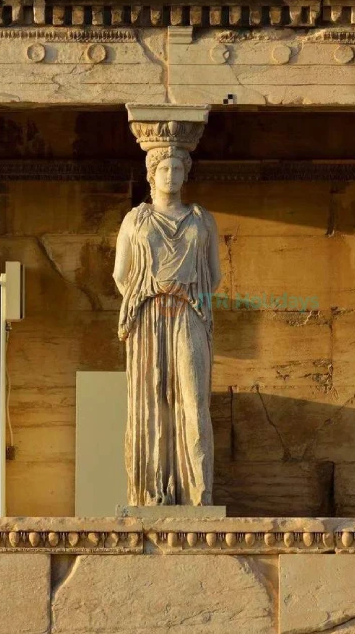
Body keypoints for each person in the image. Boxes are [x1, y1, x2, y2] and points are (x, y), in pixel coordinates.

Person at [113, 145, 221, 506]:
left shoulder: (202, 219)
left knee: (193, 397)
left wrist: (184, 292)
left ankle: (196, 492)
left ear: (186, 173)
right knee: (150, 399)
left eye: (178, 168)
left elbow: (215, 276)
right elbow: (120, 273)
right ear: (151, 173)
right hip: (147, 316)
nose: (171, 175)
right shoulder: (135, 220)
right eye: (164, 168)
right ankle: (151, 492)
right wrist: (148, 292)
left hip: (189, 312)